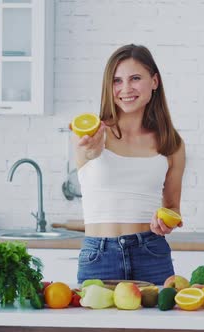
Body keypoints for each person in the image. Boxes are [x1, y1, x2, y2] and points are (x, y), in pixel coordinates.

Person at [72, 44, 186, 285]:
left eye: (135, 78)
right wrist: (93, 150)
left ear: (154, 81)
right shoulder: (92, 133)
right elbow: (90, 153)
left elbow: (173, 207)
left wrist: (167, 222)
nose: (125, 89)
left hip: (152, 254)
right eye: (117, 81)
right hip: (99, 256)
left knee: (157, 324)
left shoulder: (172, 143)